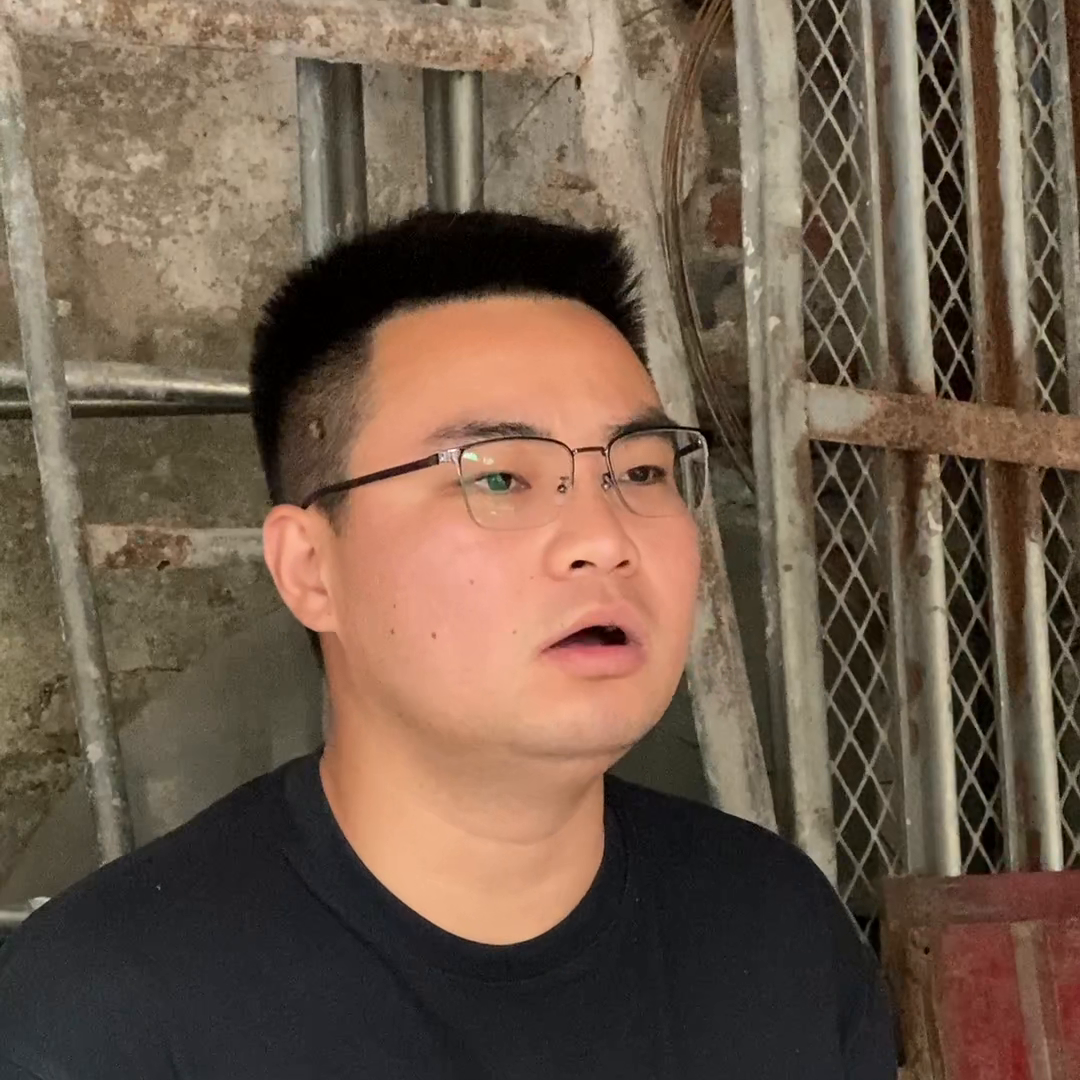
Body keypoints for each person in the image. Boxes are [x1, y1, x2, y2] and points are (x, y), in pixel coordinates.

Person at [0, 211, 895, 1078]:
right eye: (500, 477)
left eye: (640, 470)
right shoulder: (105, 1021)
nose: (604, 536)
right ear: (311, 568)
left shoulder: (778, 934)